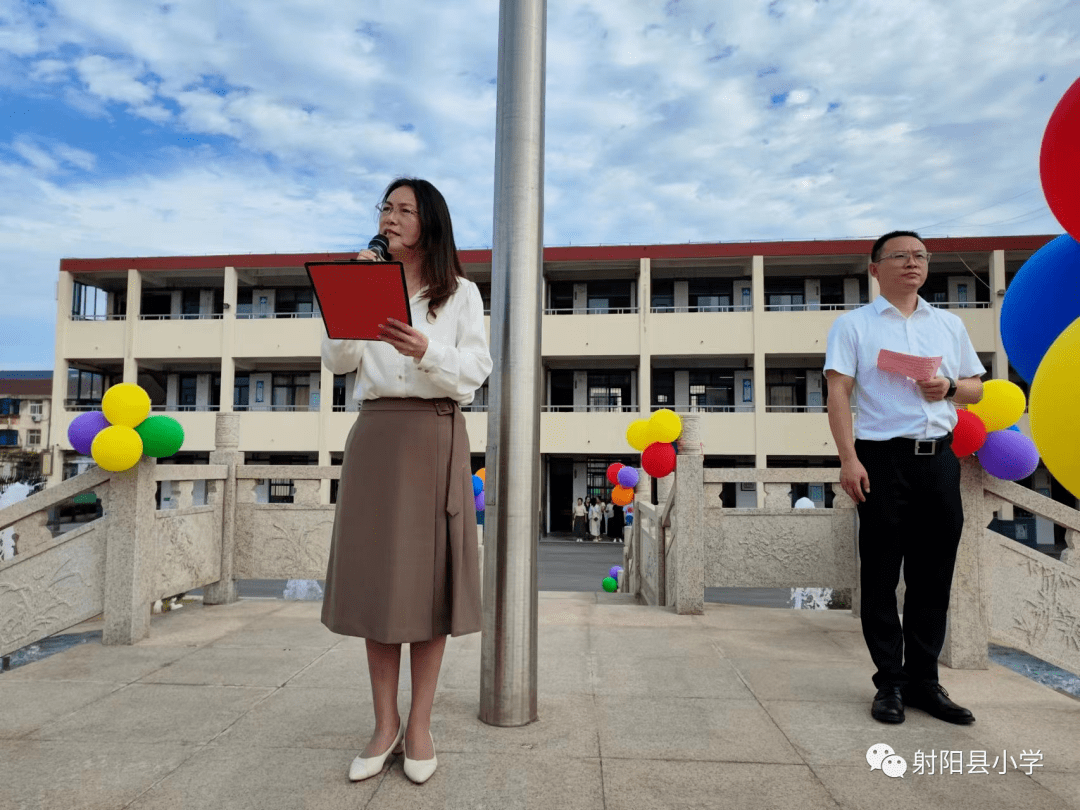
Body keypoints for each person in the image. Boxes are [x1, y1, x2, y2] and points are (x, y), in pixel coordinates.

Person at [320, 177, 492, 784]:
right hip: (376, 436)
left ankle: (419, 724)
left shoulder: (461, 294)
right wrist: (351, 292)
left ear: (429, 222)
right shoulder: (365, 277)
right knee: (379, 584)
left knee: (427, 586)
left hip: (435, 435)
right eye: (384, 208)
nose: (390, 218)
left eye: (403, 210)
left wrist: (426, 350)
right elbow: (339, 361)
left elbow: (473, 375)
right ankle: (382, 722)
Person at [824, 230, 984, 727]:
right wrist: (849, 459)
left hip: (938, 460)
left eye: (919, 256)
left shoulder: (949, 324)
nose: (912, 263)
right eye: (900, 256)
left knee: (933, 577)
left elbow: (976, 389)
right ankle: (889, 683)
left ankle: (924, 681)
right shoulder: (853, 326)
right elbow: (838, 394)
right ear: (875, 269)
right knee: (879, 575)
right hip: (881, 460)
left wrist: (950, 387)